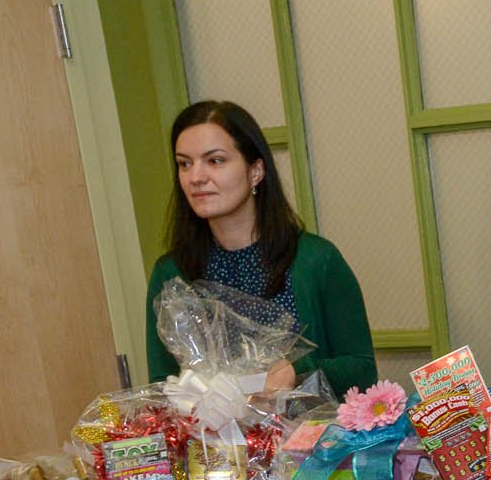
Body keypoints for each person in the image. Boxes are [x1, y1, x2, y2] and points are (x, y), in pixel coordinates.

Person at [144, 101, 376, 396]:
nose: (196, 177)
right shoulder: (170, 273)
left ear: (255, 171)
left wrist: (295, 371)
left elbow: (362, 370)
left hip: (312, 426)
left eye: (215, 161)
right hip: (207, 428)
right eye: (184, 164)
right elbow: (162, 387)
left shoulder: (316, 259)